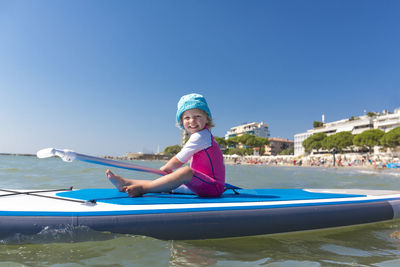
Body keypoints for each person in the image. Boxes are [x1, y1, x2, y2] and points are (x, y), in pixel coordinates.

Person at [106, 93, 225, 197]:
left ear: (207, 118)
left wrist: (166, 168)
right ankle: (125, 183)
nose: (192, 121)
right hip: (201, 184)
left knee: (185, 172)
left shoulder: (200, 136)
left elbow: (179, 159)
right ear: (182, 122)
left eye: (197, 116)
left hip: (212, 188)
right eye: (187, 118)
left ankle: (143, 189)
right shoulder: (205, 135)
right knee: (166, 183)